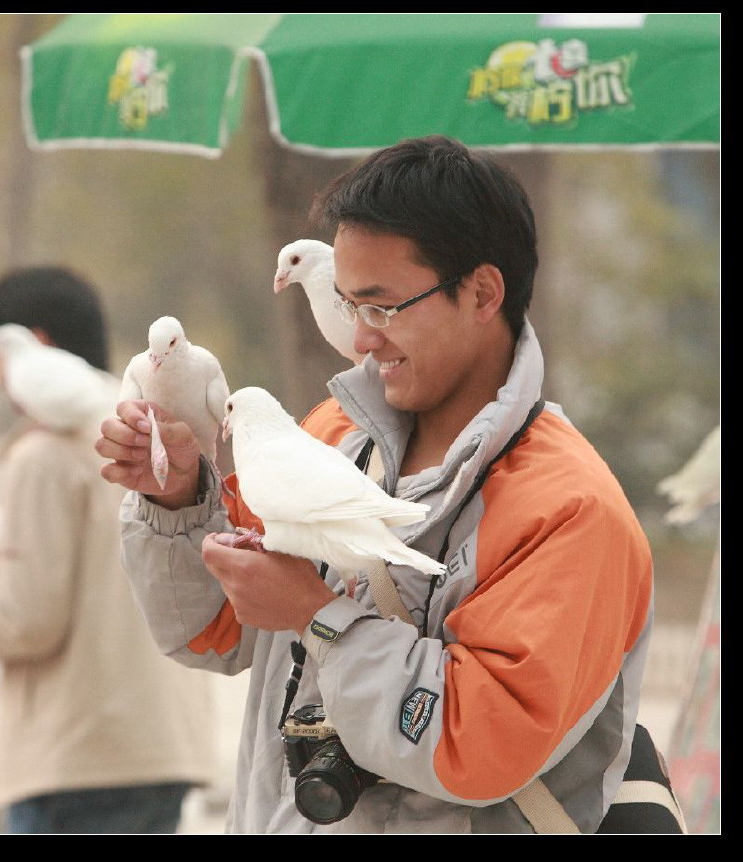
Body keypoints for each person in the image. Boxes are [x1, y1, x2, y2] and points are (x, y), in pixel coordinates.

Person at [96, 136, 655, 833]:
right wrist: (177, 499)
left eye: (382, 307)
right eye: (350, 305)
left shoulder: (569, 511)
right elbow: (211, 634)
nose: (361, 338)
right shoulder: (331, 434)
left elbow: (476, 745)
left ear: (482, 293)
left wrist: (319, 614)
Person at [0, 265, 216, 834]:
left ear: (36, 345)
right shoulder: (157, 427)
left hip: (77, 761)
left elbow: (28, 622)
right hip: (166, 747)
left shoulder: (44, 454)